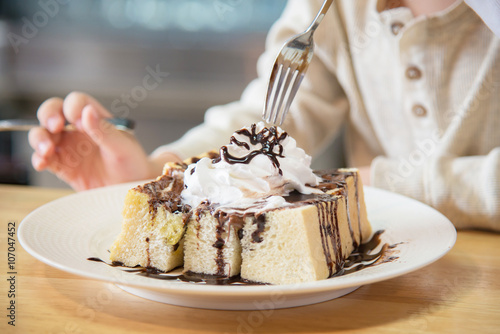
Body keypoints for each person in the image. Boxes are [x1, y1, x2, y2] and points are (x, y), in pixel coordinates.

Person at [28, 0, 499, 231]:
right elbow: (271, 120)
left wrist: (385, 184)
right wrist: (171, 172)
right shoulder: (329, 8)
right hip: (390, 271)